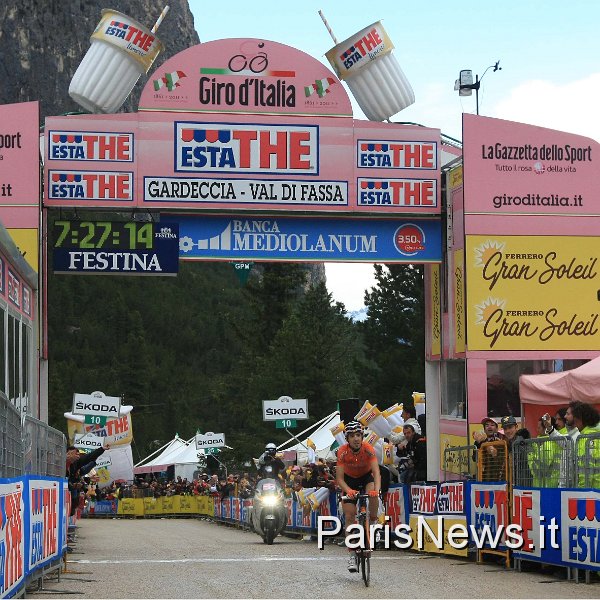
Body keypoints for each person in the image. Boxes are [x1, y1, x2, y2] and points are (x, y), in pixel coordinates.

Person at [335, 421, 381, 573]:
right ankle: (352, 554)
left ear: (362, 436)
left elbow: (376, 473)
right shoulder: (342, 451)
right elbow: (339, 479)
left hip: (366, 478)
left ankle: (373, 523)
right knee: (349, 516)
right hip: (349, 481)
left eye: (358, 435)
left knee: (373, 491)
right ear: (347, 439)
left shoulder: (368, 449)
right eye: (352, 436)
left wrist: (377, 490)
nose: (356, 439)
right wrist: (348, 490)